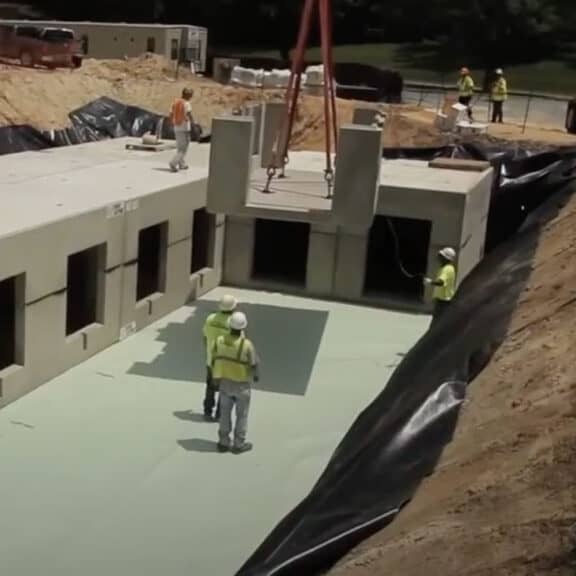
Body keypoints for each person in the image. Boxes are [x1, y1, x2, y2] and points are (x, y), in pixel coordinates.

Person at [211, 311, 259, 454]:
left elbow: (214, 359)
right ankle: (239, 444)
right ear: (243, 328)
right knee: (242, 415)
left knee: (224, 413)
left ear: (229, 326)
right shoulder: (247, 345)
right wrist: (256, 376)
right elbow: (254, 364)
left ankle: (223, 442)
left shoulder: (219, 341)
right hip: (242, 385)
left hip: (225, 384)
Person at [202, 294, 238, 422]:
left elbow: (205, 337)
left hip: (210, 360)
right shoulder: (233, 322)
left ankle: (207, 411)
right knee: (224, 389)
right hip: (226, 363)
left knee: (210, 386)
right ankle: (219, 414)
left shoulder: (210, 318)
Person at [424, 247, 457, 325]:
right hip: (443, 300)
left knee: (437, 322)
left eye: (441, 256)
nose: (439, 258)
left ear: (446, 258)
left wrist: (430, 282)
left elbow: (441, 282)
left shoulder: (447, 269)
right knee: (439, 321)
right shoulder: (447, 268)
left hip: (444, 301)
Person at [169, 87, 194, 173]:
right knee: (183, 148)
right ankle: (173, 163)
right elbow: (189, 115)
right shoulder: (186, 103)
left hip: (176, 127)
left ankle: (181, 163)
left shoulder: (175, 102)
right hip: (184, 128)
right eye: (191, 95)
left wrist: (172, 122)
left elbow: (171, 113)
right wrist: (193, 124)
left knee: (180, 146)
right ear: (188, 95)